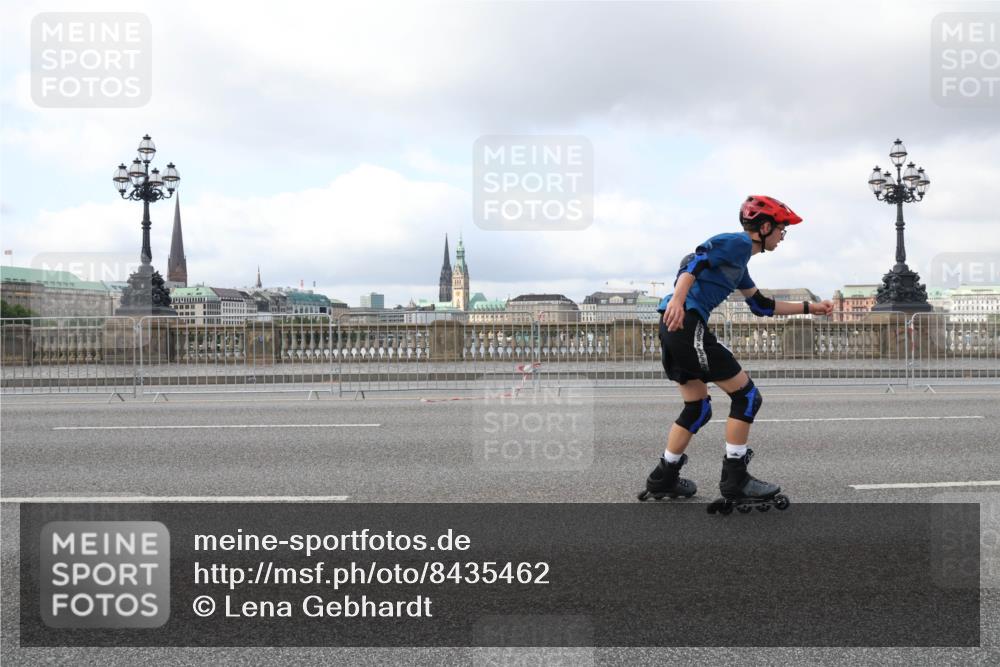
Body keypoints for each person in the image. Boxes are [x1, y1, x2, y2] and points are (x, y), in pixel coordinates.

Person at [640, 195, 834, 502]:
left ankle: (663, 477)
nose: (783, 235)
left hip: (673, 326)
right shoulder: (738, 243)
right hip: (686, 322)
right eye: (781, 229)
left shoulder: (739, 264)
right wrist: (678, 299)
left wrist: (811, 308)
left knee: (697, 407)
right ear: (765, 227)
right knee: (747, 397)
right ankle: (735, 479)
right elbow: (694, 261)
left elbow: (762, 305)